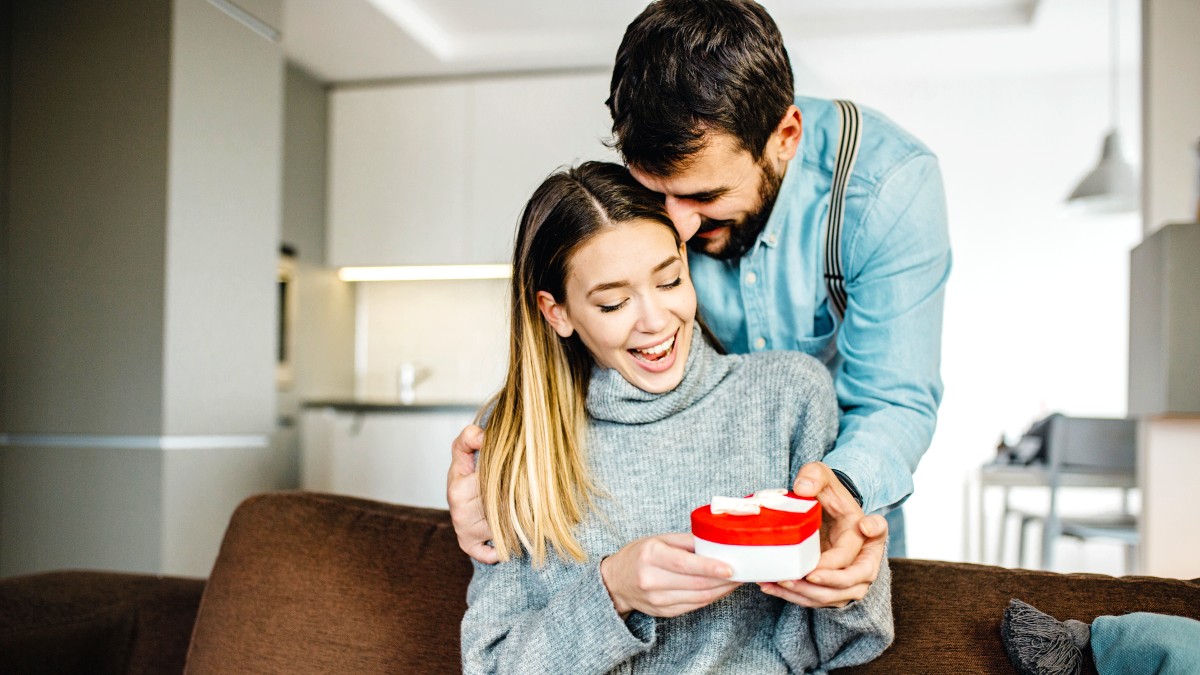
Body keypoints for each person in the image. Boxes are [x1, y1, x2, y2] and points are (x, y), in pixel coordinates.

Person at [449, 0, 951, 602]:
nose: (679, 227)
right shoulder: (666, 191)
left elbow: (894, 400)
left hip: (838, 497)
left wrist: (838, 497)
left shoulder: (886, 190)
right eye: (656, 193)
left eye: (705, 196)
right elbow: (588, 329)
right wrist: (500, 471)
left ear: (784, 137)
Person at [460, 161, 892, 673]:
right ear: (558, 313)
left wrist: (849, 585)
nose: (656, 321)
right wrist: (613, 591)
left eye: (669, 282)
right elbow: (489, 667)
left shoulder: (787, 396)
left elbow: (832, 646)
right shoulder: (518, 433)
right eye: (615, 303)